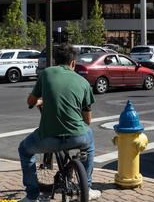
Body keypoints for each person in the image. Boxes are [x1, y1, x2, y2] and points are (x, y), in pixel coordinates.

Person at [18, 44, 101, 202]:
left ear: (56, 61)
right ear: (73, 63)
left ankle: (32, 196)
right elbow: (87, 120)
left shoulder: (47, 73)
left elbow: (31, 100)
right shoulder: (83, 82)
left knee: (24, 149)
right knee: (89, 142)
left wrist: (37, 101)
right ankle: (87, 188)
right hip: (78, 136)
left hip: (48, 137)